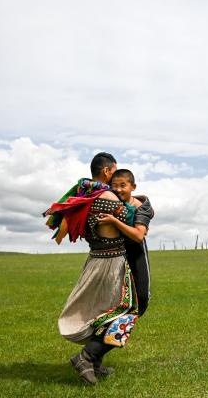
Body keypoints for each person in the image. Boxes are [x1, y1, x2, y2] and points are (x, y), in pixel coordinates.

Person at [44, 153, 153, 384]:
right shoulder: (110, 198)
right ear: (107, 171)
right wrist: (143, 205)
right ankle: (88, 356)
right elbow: (135, 228)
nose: (118, 180)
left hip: (95, 258)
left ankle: (94, 361)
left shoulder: (83, 194)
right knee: (130, 310)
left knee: (103, 310)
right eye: (115, 174)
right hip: (116, 260)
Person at [108, 168, 153, 318]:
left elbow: (139, 235)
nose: (118, 189)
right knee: (114, 295)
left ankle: (125, 324)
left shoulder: (142, 207)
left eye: (123, 185)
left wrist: (114, 221)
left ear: (133, 187)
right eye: (114, 185)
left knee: (142, 295)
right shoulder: (108, 202)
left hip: (136, 251)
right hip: (114, 251)